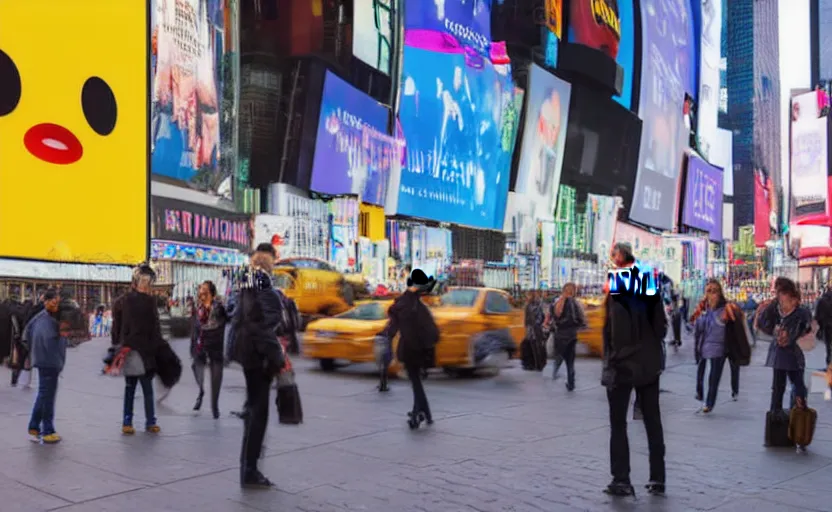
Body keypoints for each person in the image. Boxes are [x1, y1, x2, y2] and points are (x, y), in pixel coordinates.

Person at [602, 242, 666, 497]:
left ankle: (621, 478)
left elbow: (612, 330)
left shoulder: (616, 285)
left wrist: (611, 358)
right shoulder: (649, 284)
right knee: (653, 420)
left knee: (618, 423)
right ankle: (658, 478)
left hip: (622, 364)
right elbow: (661, 328)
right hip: (648, 362)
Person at [231, 243, 288, 488]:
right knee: (259, 414)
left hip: (246, 354)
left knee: (254, 411)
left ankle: (247, 466)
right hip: (259, 357)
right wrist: (275, 355)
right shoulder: (265, 291)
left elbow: (237, 319)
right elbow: (265, 325)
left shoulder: (244, 290)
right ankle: (250, 470)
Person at [113, 264, 166, 435]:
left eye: (148, 281)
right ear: (136, 281)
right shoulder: (123, 301)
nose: (146, 284)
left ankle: (150, 421)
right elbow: (117, 326)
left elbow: (156, 327)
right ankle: (127, 421)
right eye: (143, 280)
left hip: (146, 351)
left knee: (147, 388)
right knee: (130, 387)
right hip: (130, 350)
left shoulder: (150, 302)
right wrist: (117, 346)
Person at [384, 269, 439, 429]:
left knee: (416, 383)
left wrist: (386, 334)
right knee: (416, 382)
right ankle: (424, 413)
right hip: (421, 349)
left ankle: (419, 413)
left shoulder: (404, 305)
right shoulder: (418, 306)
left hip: (411, 349)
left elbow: (394, 325)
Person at [756, 278, 812, 414]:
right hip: (779, 355)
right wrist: (774, 331)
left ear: (793, 298)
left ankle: (798, 414)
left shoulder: (801, 313)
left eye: (781, 293)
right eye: (777, 293)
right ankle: (776, 416)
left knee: (798, 386)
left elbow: (807, 329)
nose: (778, 297)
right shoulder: (774, 307)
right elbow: (762, 322)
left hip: (794, 354)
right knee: (777, 387)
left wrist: (791, 336)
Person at [692, 279, 744, 413]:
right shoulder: (703, 308)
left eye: (714, 291)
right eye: (708, 291)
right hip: (705, 345)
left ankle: (712, 401)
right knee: (702, 372)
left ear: (720, 293)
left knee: (715, 375)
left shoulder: (726, 308)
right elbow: (695, 325)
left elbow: (736, 324)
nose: (711, 294)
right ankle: (701, 394)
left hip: (723, 346)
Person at [25, 289, 68, 444]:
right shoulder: (46, 320)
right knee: (47, 395)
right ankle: (47, 430)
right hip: (48, 361)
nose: (56, 304)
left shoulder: (41, 318)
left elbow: (27, 333)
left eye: (58, 301)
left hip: (46, 360)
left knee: (44, 393)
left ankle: (34, 425)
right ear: (46, 301)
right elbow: (49, 340)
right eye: (54, 301)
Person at [190, 280, 228, 419]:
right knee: (196, 368)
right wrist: (192, 345)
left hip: (215, 347)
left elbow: (226, 322)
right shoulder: (197, 307)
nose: (201, 292)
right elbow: (194, 328)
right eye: (200, 289)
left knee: (216, 377)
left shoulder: (219, 307)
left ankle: (215, 406)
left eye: (204, 289)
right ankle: (201, 391)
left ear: (211, 292)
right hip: (201, 345)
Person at [549, 282, 586, 389]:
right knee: (570, 361)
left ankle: (555, 372)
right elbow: (581, 319)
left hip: (560, 334)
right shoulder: (575, 303)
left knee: (560, 355)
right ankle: (571, 383)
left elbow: (556, 314)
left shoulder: (559, 301)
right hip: (572, 335)